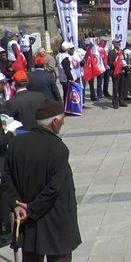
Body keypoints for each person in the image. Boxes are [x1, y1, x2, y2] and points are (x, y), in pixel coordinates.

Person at [1, 100, 81, 261]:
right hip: (55, 223)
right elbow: (54, 188)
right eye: (62, 119)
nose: (63, 123)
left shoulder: (16, 144)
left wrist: (16, 204)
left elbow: (6, 178)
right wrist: (32, 208)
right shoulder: (58, 149)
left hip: (28, 222)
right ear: (54, 121)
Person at [107, 39, 127, 109]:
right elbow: (108, 62)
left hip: (122, 72)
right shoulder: (111, 52)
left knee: (121, 88)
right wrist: (114, 63)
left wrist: (125, 64)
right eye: (117, 42)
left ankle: (121, 101)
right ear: (114, 44)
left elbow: (124, 60)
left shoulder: (122, 51)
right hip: (115, 72)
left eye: (119, 42)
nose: (119, 43)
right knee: (115, 88)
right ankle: (115, 102)